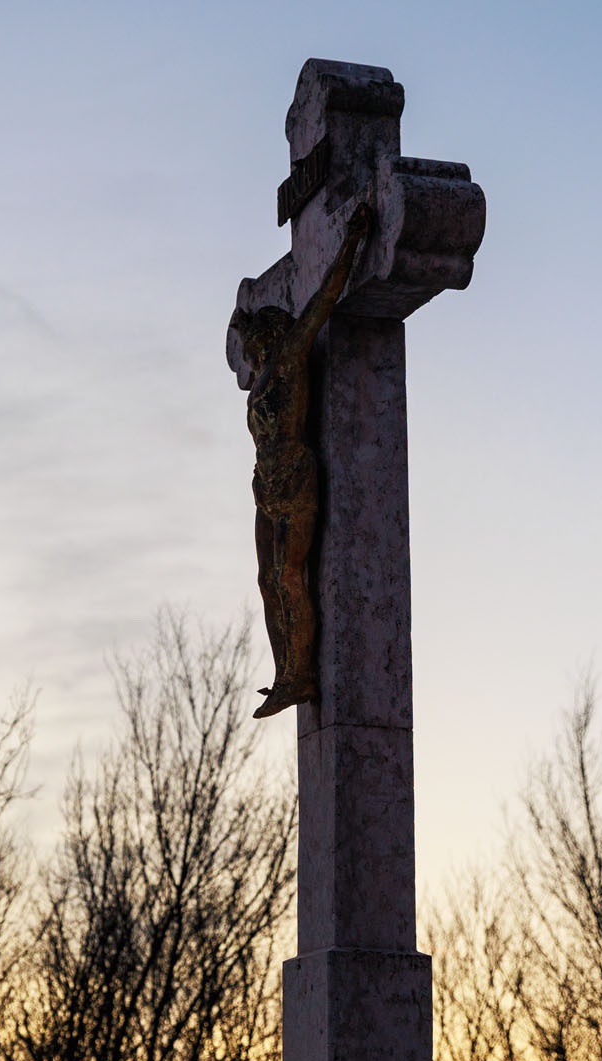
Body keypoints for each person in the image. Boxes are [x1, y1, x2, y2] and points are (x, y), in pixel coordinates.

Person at [229, 202, 374, 719]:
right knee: (267, 581)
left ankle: (300, 674)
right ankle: (284, 672)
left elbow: (326, 295)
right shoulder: (263, 376)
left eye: (250, 342)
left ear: (267, 335)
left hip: (293, 476)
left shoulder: (291, 354)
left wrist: (352, 239)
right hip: (265, 484)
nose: (247, 353)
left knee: (289, 574)